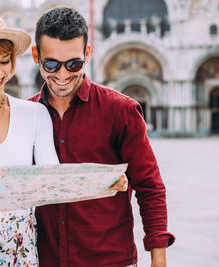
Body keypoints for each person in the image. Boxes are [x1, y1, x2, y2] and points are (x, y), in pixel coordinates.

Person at [0, 8, 128, 267]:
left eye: (5, 61)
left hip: (23, 253)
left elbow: (52, 181)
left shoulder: (34, 114)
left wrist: (101, 183)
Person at [29, 7, 175, 267]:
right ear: (35, 56)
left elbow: (149, 186)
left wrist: (158, 258)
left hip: (109, 261)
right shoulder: (23, 117)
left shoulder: (121, 111)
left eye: (73, 64)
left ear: (87, 53)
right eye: (51, 64)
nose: (62, 76)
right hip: (45, 260)